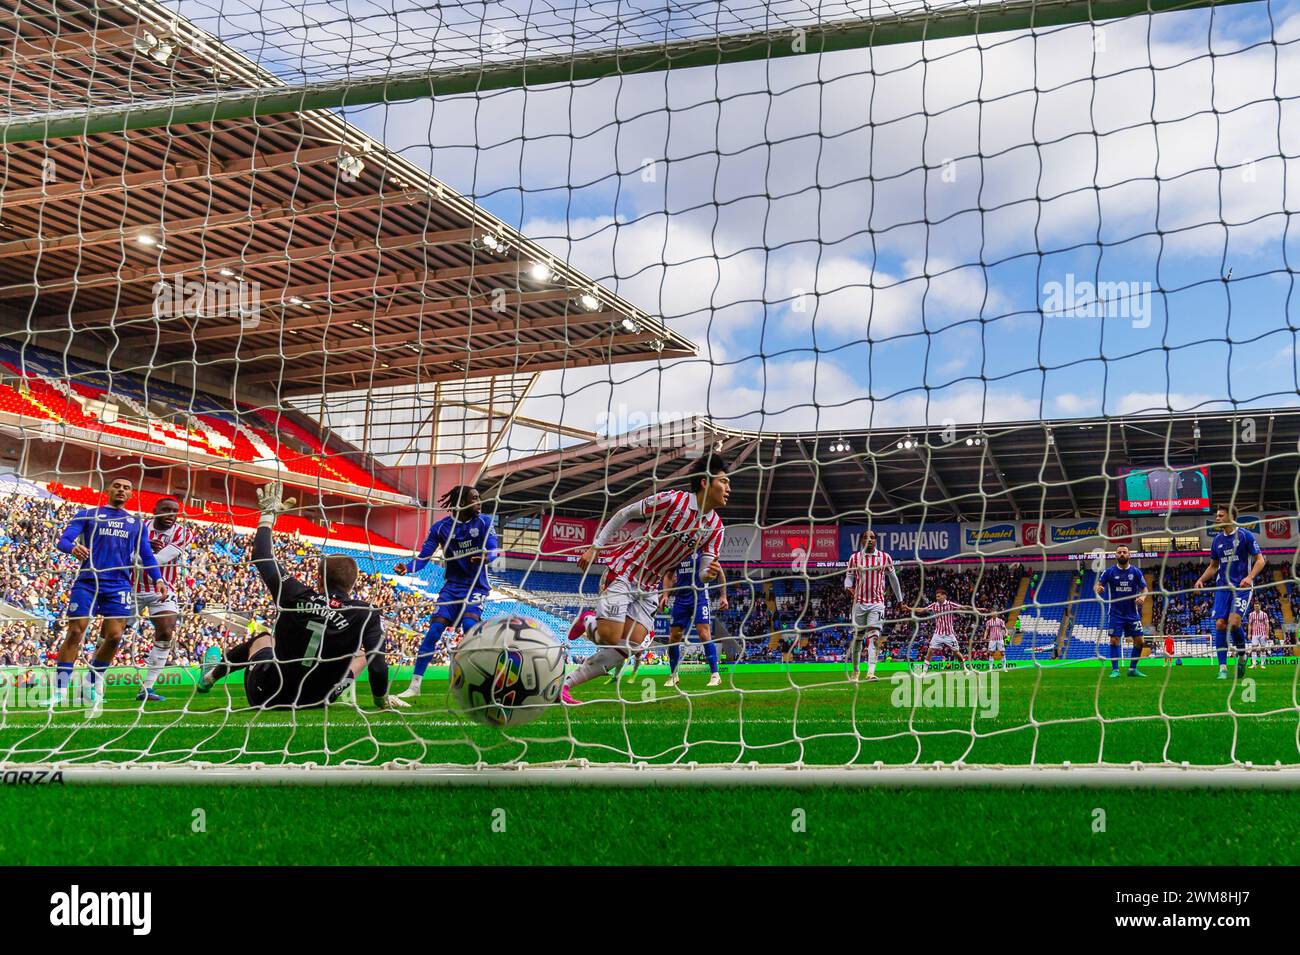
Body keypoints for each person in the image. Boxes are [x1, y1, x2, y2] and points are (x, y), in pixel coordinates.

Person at [195, 482, 405, 710]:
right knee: (365, 654)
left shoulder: (294, 594)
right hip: (318, 700)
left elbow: (262, 556)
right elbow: (378, 666)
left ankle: (210, 677)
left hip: (267, 694)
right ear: (353, 583)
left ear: (317, 579)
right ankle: (350, 693)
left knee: (263, 639)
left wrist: (267, 517)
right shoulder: (366, 612)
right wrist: (380, 700)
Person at [560, 454, 729, 704]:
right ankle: (586, 621)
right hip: (626, 570)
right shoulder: (674, 500)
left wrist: (709, 573)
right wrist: (595, 547)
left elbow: (703, 573)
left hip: (650, 585)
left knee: (629, 646)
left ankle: (565, 686)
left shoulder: (716, 528)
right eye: (724, 482)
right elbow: (625, 513)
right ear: (705, 482)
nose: (728, 488)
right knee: (608, 635)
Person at [53, 477, 164, 715]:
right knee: (75, 631)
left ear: (131, 494)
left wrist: (158, 579)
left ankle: (92, 681)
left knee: (114, 636)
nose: (121, 490)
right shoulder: (88, 514)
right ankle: (60, 690)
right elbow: (62, 540)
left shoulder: (136, 523)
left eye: (126, 487)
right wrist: (72, 548)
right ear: (107, 490)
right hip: (87, 582)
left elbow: (147, 554)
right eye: (117, 486)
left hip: (119, 585)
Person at [394, 485, 499, 700]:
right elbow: (423, 557)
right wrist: (408, 567)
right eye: (475, 498)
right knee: (433, 632)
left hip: (476, 586)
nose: (479, 502)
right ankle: (414, 686)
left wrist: (487, 558)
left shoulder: (484, 522)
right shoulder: (441, 528)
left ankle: (476, 677)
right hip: (451, 587)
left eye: (479, 497)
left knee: (470, 626)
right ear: (461, 503)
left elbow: (494, 548)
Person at [1194, 504, 1266, 680]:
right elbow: (1213, 566)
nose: (1217, 518)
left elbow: (1260, 560)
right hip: (1222, 588)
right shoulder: (1217, 540)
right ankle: (1223, 668)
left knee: (1233, 623)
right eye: (1217, 516)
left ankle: (1242, 655)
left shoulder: (1245, 535)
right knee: (1220, 624)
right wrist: (1201, 579)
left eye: (1220, 516)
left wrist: (1250, 577)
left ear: (1231, 517)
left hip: (1241, 587)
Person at [132, 496, 193, 703]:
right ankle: (92, 685)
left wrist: (143, 552)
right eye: (166, 509)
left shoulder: (182, 533)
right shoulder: (137, 527)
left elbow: (159, 560)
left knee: (166, 631)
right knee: (112, 635)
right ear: (155, 510)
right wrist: (145, 551)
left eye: (175, 511)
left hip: (162, 589)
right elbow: (126, 556)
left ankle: (147, 688)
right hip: (131, 588)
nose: (171, 515)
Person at [663, 550, 729, 688]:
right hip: (680, 600)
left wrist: (723, 596)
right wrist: (665, 595)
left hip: (700, 598)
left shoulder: (704, 553)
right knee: (674, 637)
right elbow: (668, 575)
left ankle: (715, 675)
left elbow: (720, 573)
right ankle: (674, 675)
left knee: (704, 634)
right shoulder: (678, 552)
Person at [843, 529, 902, 682]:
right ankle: (856, 672)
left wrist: (900, 600)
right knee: (858, 639)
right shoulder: (854, 558)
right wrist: (848, 587)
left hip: (877, 603)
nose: (870, 540)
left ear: (876, 540)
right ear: (861, 540)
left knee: (874, 637)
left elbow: (893, 579)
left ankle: (871, 672)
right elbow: (849, 577)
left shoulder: (884, 557)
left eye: (873, 538)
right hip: (859, 604)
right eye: (866, 537)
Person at [1094, 544, 1150, 678]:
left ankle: (1132, 669)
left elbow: (1145, 589)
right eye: (1119, 552)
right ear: (1115, 555)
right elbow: (1098, 585)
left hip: (1132, 614)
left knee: (1140, 641)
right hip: (1115, 613)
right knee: (1114, 641)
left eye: (1125, 552)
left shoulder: (1136, 572)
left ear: (1129, 555)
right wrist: (1098, 588)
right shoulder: (1109, 572)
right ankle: (1115, 670)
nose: (1122, 554)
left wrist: (1142, 597)